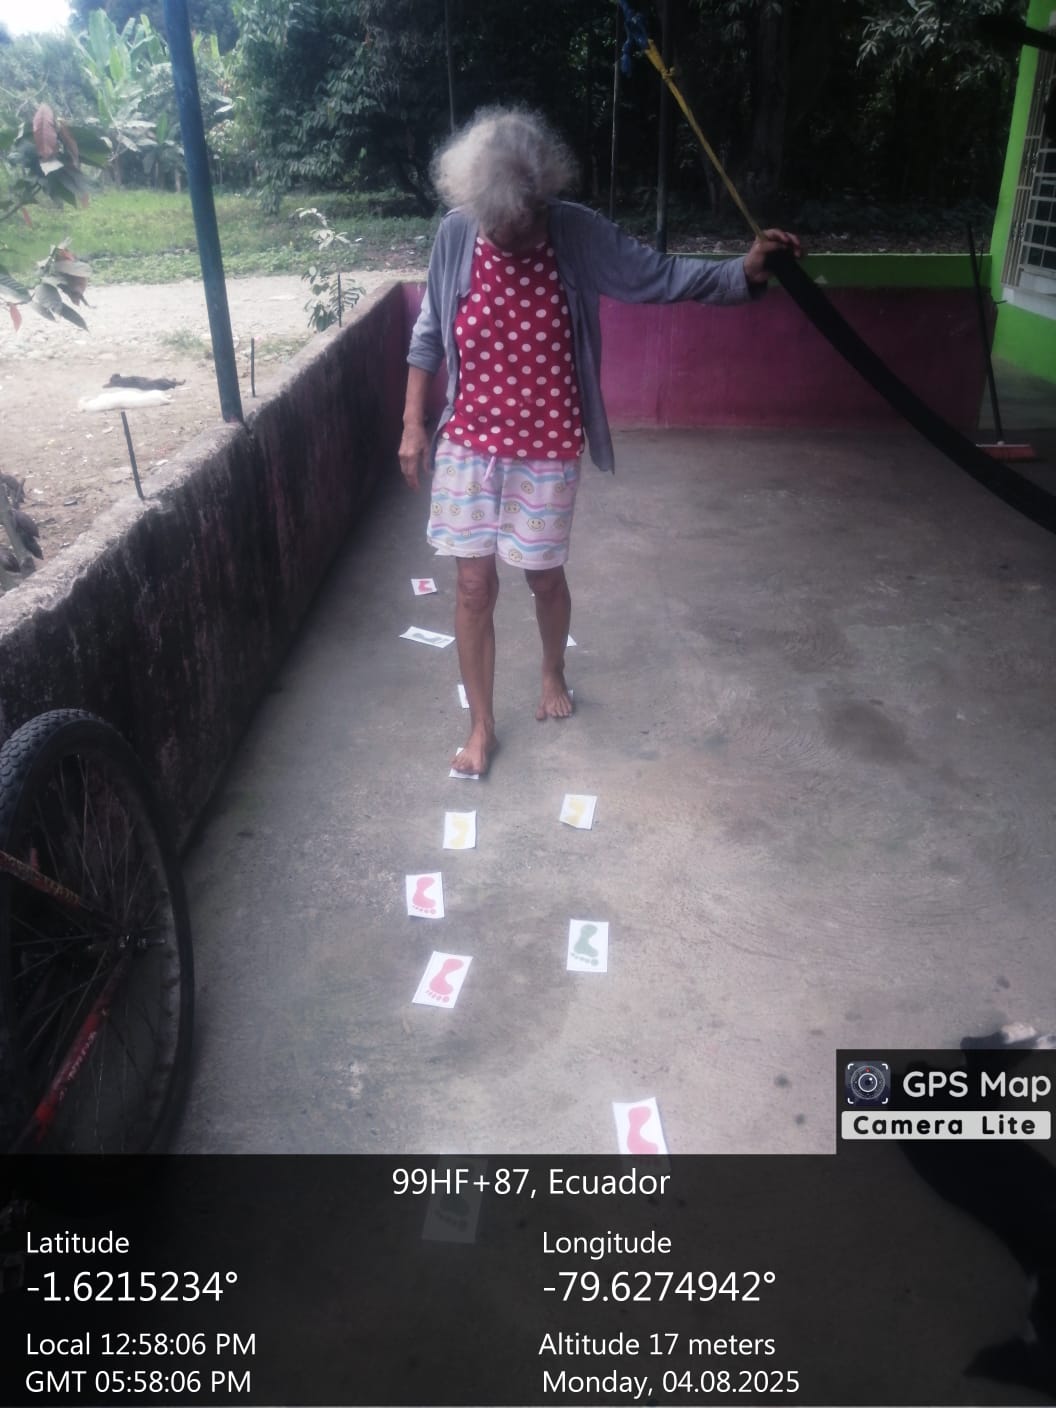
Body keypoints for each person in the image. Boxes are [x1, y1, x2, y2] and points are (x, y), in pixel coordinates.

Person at [399, 106, 801, 776]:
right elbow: (430, 332)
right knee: (472, 585)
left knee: (542, 576)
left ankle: (552, 670)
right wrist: (414, 423)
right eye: (496, 228)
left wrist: (742, 271)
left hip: (546, 445)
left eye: (520, 226)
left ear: (541, 202)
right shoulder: (456, 234)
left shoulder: (575, 233)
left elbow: (658, 276)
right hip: (469, 441)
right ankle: (481, 728)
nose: (508, 239)